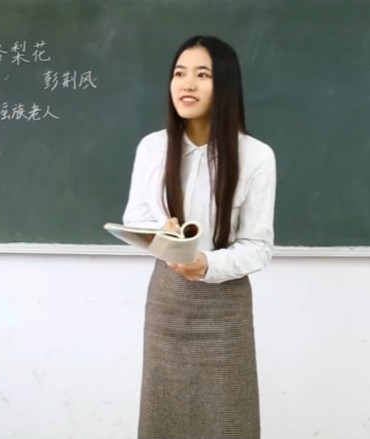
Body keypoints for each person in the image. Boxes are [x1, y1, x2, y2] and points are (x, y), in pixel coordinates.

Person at [122, 35, 277, 439]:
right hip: (168, 300)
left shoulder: (256, 156)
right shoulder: (153, 148)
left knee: (228, 421)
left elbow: (258, 247)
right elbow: (135, 217)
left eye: (202, 75)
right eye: (179, 73)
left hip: (225, 308)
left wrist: (208, 263)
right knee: (164, 419)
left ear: (224, 85)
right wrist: (161, 234)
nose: (186, 84)